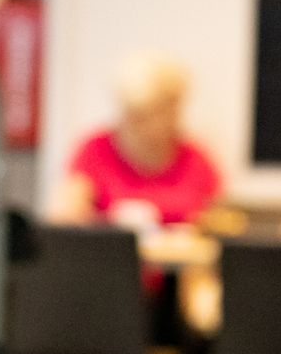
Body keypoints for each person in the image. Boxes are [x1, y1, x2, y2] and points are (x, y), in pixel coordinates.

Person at [53, 51, 222, 228]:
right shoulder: (95, 150)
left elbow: (221, 222)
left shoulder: (195, 157)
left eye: (167, 110)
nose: (159, 123)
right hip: (113, 253)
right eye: (142, 116)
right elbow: (63, 220)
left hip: (177, 254)